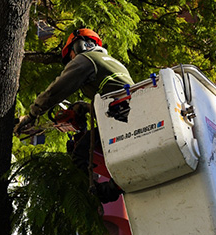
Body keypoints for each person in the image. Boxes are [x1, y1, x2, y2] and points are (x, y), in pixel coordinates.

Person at [14, 28, 134, 201]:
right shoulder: (114, 63)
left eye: (70, 54)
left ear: (80, 45)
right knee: (85, 143)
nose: (72, 59)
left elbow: (56, 90)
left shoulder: (86, 59)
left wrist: (31, 115)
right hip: (128, 117)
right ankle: (115, 183)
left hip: (118, 119)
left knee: (78, 153)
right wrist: (83, 107)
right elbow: (112, 97)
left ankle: (95, 195)